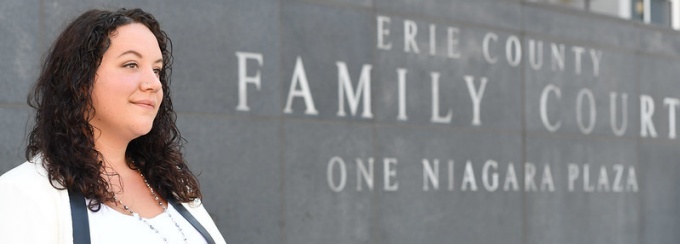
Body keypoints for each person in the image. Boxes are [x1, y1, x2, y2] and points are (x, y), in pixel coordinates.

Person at [0, 8, 227, 244]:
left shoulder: (173, 185)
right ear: (81, 81)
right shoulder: (25, 192)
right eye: (131, 64)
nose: (153, 83)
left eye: (157, 69)